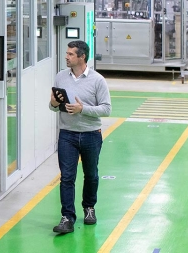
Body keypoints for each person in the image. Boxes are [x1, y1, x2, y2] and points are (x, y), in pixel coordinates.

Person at [49, 40, 111, 234]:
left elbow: (106, 109)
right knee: (67, 177)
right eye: (66, 53)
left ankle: (89, 207)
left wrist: (82, 109)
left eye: (70, 54)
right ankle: (67, 217)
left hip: (91, 135)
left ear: (82, 57)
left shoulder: (98, 80)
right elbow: (53, 107)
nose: (66, 57)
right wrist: (52, 103)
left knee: (90, 175)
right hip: (67, 134)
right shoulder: (60, 77)